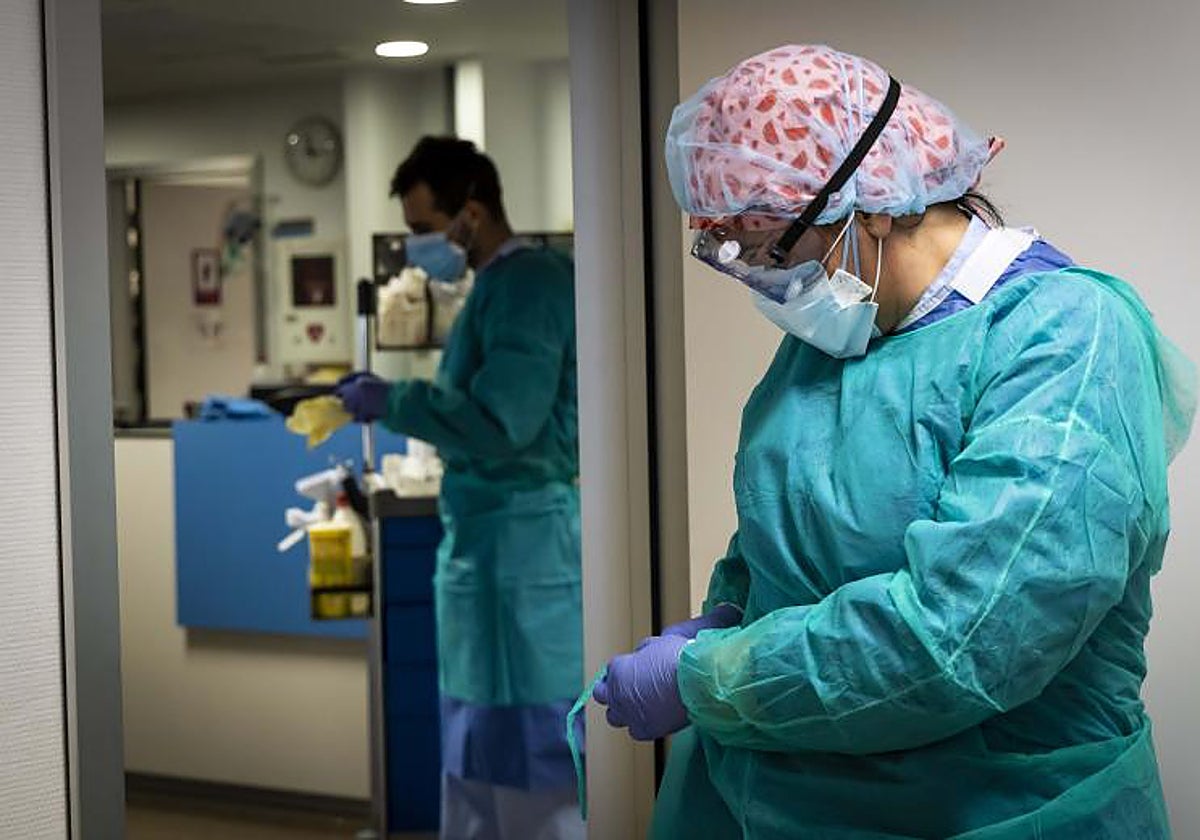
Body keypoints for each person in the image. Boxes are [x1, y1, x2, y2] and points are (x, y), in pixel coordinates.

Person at [593, 45, 1197, 838]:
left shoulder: (1067, 341)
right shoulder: (841, 333)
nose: (764, 277)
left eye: (771, 246)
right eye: (730, 250)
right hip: (768, 800)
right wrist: (734, 613)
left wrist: (711, 678)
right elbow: (782, 531)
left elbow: (966, 638)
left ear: (873, 204)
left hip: (1000, 809)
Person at [337, 136, 583, 840]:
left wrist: (398, 402)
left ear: (471, 214)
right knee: (478, 759)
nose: (418, 247)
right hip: (491, 548)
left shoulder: (531, 284)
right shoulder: (496, 289)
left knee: (536, 776)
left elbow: (506, 421)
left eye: (424, 229)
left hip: (526, 552)